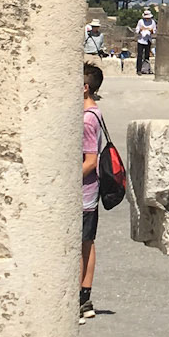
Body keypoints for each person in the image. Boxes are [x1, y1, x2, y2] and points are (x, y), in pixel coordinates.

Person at [80, 62, 104, 321]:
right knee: (86, 242)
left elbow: (90, 161)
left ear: (85, 88)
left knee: (80, 245)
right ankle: (84, 298)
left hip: (83, 193)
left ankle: (78, 297)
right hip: (90, 193)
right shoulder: (94, 112)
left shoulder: (87, 118)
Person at [134, 10, 156, 76]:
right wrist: (140, 30)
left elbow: (154, 31)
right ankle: (139, 70)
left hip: (148, 40)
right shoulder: (140, 21)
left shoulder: (152, 22)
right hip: (141, 40)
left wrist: (151, 30)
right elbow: (137, 30)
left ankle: (146, 69)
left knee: (147, 55)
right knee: (140, 55)